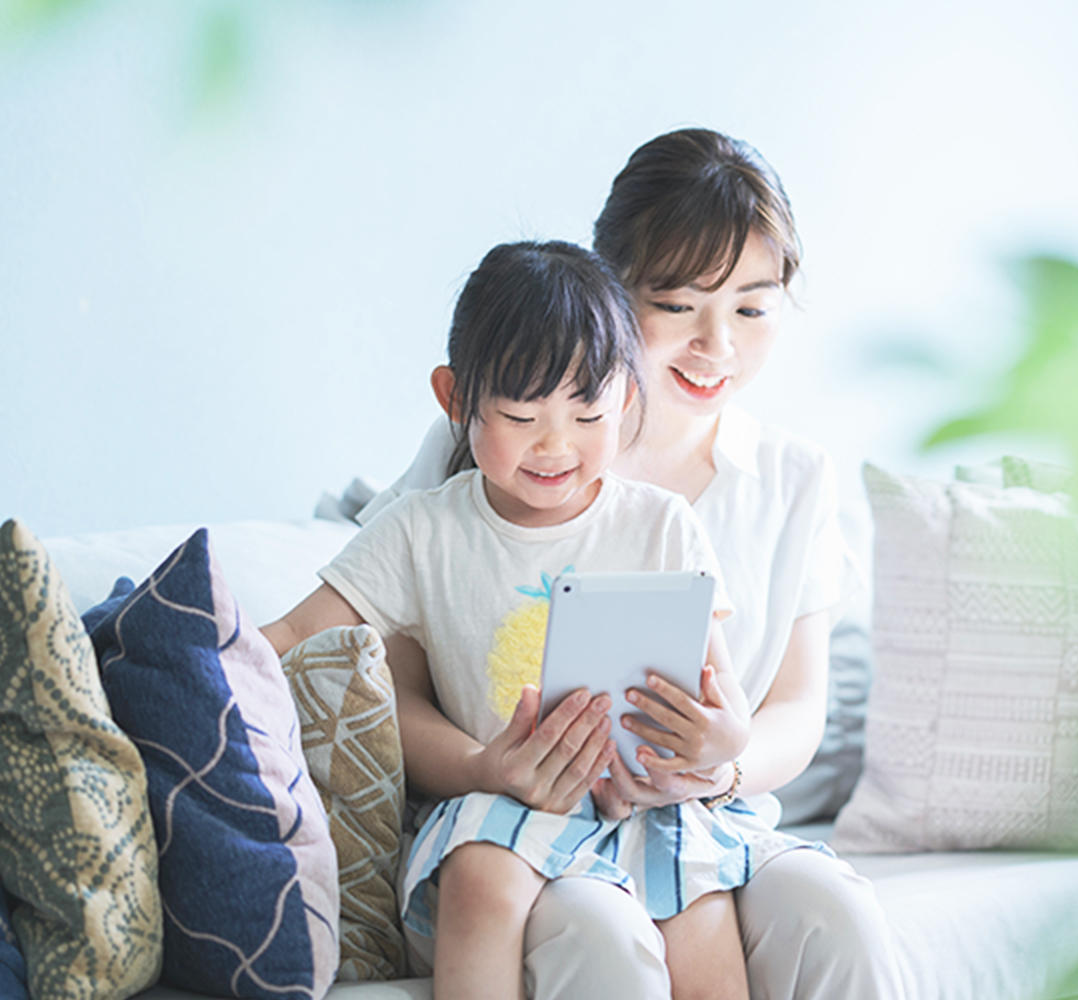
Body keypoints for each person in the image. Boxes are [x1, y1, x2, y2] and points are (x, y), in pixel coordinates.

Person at [361, 129, 906, 1000]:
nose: (716, 345)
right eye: (681, 305)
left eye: (753, 308)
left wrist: (721, 766)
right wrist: (485, 766)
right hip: (526, 826)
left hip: (704, 817)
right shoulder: (497, 445)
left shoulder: (795, 478)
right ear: (611, 292)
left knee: (834, 914)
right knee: (602, 935)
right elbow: (392, 681)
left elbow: (800, 706)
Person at [263, 240, 823, 1000]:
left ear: (627, 399)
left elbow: (719, 694)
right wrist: (208, 649)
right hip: (506, 796)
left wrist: (723, 744)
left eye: (588, 413)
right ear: (455, 400)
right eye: (522, 416)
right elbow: (299, 634)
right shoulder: (422, 529)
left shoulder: (660, 525)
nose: (556, 445)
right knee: (479, 883)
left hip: (650, 802)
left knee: (700, 909)